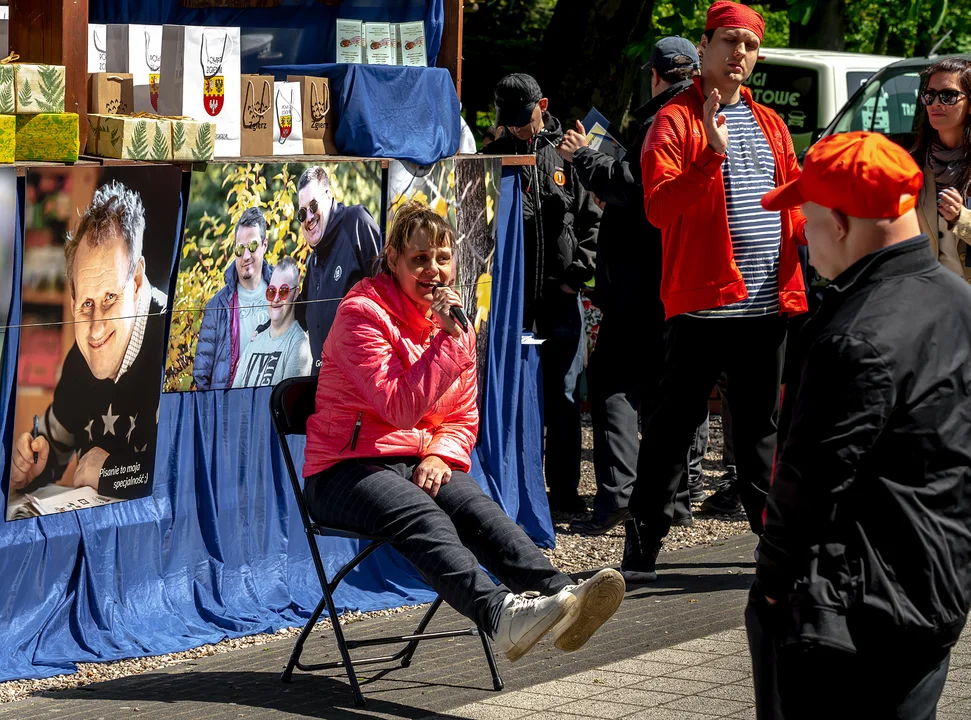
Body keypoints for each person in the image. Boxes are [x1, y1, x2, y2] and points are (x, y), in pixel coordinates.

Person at [301, 201, 624, 662]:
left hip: (415, 459)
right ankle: (501, 617)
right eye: (419, 259)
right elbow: (398, 406)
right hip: (344, 468)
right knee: (424, 515)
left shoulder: (455, 328)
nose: (434, 271)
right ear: (392, 259)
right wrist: (450, 345)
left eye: (443, 258)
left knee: (478, 509)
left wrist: (439, 453)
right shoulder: (361, 314)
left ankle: (564, 595)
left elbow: (461, 418)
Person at [748, 131, 971, 720]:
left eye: (808, 218)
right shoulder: (957, 302)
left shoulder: (856, 335)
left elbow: (807, 483)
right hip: (934, 588)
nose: (799, 233)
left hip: (850, 611)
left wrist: (771, 585)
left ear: (842, 223)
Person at [624, 1, 808, 583]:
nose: (740, 54)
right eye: (729, 41)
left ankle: (774, 546)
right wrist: (709, 154)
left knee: (758, 434)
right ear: (703, 48)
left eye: (750, 46)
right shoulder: (674, 120)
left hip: (764, 306)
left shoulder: (771, 122)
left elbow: (792, 206)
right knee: (672, 430)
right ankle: (641, 547)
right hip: (703, 306)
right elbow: (658, 208)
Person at [554, 36, 706, 534]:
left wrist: (583, 157)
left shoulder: (665, 120)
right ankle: (674, 500)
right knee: (670, 389)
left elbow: (637, 188)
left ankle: (620, 495)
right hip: (681, 277)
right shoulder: (705, 116)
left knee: (613, 383)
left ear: (656, 75)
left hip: (641, 276)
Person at [484, 73, 601, 514]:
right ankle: (515, 491)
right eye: (508, 120)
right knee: (513, 394)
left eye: (523, 119)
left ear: (543, 105)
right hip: (512, 306)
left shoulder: (568, 152)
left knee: (563, 398)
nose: (516, 128)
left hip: (559, 298)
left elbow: (592, 221)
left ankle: (565, 494)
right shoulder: (492, 157)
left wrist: (576, 275)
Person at [10, 181, 169, 499]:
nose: (95, 329)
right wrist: (34, 463)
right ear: (72, 299)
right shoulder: (79, 359)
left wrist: (111, 472)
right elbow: (54, 445)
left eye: (110, 297)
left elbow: (180, 477)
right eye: (86, 304)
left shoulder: (176, 344)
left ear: (136, 281)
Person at [293, 165, 382, 370]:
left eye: (313, 205)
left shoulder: (355, 222)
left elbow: (390, 289)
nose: (308, 217)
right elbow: (300, 318)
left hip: (362, 382)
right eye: (302, 213)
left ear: (328, 195)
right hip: (324, 389)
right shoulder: (312, 263)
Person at [194, 207, 273, 391]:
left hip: (270, 410)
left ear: (265, 245)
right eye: (240, 248)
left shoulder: (282, 296)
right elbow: (201, 376)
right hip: (229, 412)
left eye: (252, 246)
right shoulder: (217, 307)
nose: (245, 256)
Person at [912, 57, 971, 283]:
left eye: (948, 95)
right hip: (931, 298)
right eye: (930, 95)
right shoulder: (914, 164)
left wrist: (961, 218)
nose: (936, 103)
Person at [232, 257, 312, 388]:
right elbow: (232, 398)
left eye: (284, 291)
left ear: (296, 293)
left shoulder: (298, 343)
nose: (275, 298)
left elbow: (286, 402)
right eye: (271, 291)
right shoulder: (255, 342)